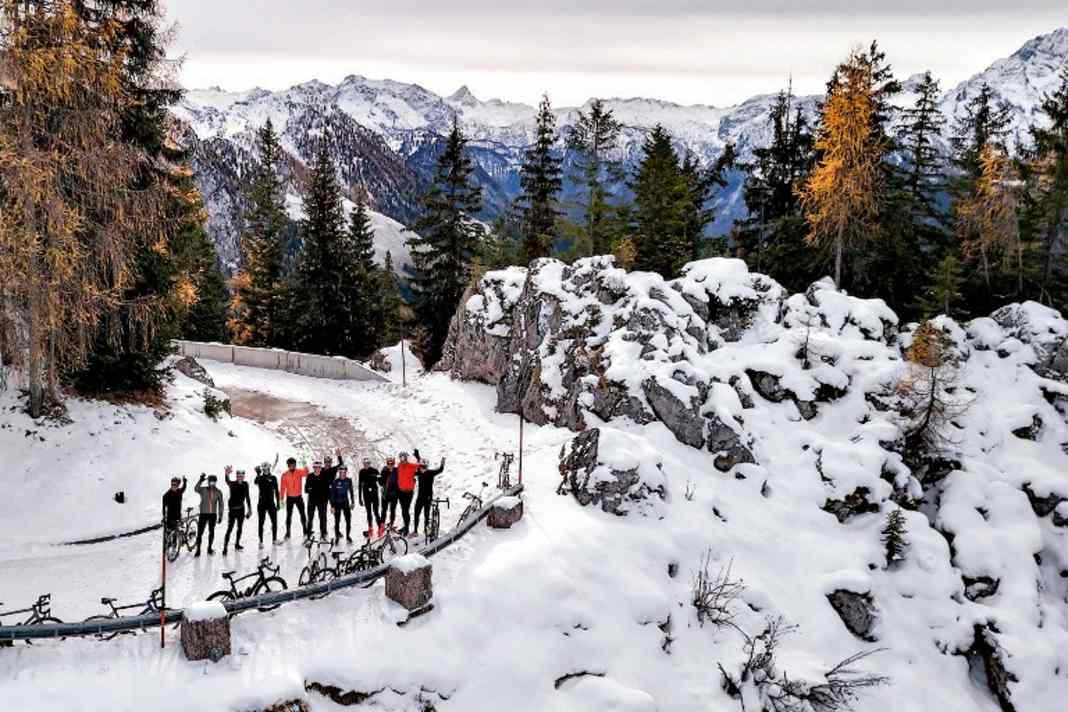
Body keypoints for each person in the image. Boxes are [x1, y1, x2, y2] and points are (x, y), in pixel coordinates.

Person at [411, 453, 446, 537]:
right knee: (416, 514)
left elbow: (440, 470)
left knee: (426, 515)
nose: (422, 469)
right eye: (421, 467)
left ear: (427, 467)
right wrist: (417, 455)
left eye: (424, 467)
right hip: (420, 497)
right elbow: (417, 465)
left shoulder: (431, 473)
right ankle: (415, 531)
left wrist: (442, 463)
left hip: (428, 498)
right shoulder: (419, 472)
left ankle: (426, 530)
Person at [222, 466, 252, 555]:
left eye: (242, 475)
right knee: (230, 528)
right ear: (236, 476)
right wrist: (226, 474)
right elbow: (227, 481)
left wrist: (250, 508)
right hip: (232, 510)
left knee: (240, 528)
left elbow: (247, 497)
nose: (240, 477)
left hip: (241, 510)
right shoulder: (232, 484)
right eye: (238, 475)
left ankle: (237, 544)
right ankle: (225, 548)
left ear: (244, 476)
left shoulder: (246, 484)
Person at [193, 473, 224, 556]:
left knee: (211, 532)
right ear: (208, 482)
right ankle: (198, 550)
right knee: (200, 533)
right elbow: (196, 489)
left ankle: (209, 548)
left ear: (216, 482)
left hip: (212, 515)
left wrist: (220, 516)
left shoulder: (218, 492)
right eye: (211, 482)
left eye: (214, 482)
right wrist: (200, 480)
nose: (212, 484)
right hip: (203, 514)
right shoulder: (203, 490)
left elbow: (221, 504)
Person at [279, 457, 308, 539]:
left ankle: (305, 530)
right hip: (290, 498)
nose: (293, 466)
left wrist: (305, 465)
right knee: (289, 516)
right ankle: (288, 533)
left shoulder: (299, 472)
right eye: (291, 465)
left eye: (294, 464)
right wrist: (281, 499)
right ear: (288, 465)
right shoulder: (284, 475)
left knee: (302, 514)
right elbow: (282, 488)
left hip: (299, 497)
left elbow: (306, 473)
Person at [254, 462, 280, 547]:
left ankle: (274, 540)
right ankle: (260, 542)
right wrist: (258, 474)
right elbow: (255, 482)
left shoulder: (273, 478)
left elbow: (276, 491)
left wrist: (278, 503)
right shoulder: (260, 478)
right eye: (263, 469)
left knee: (274, 522)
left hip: (271, 503)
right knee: (261, 523)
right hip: (261, 504)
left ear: (269, 468)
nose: (265, 470)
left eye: (266, 469)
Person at [395, 451, 420, 536]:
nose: (402, 459)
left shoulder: (411, 466)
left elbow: (419, 465)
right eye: (401, 458)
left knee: (405, 510)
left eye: (404, 457)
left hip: (408, 493)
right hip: (400, 492)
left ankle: (406, 529)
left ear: (406, 458)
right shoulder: (399, 466)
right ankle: (405, 527)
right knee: (403, 511)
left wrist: (417, 456)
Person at [329, 464, 355, 543]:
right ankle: (337, 536)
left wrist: (352, 502)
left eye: (344, 472)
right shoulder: (335, 481)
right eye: (341, 472)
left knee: (348, 520)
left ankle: (348, 536)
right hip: (337, 504)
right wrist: (332, 506)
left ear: (346, 472)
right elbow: (332, 495)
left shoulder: (348, 480)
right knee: (337, 521)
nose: (343, 474)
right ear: (339, 473)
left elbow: (351, 492)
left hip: (345, 503)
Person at [358, 458, 383, 539]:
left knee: (376, 512)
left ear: (370, 463)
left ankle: (380, 528)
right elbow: (359, 485)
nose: (366, 465)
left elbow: (381, 482)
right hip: (366, 494)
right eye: (365, 463)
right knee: (369, 512)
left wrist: (378, 476)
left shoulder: (375, 470)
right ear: (363, 464)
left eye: (368, 463)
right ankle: (370, 528)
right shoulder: (361, 472)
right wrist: (360, 498)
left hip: (374, 494)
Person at [379, 456, 399, 531]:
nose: (390, 465)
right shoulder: (384, 470)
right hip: (385, 494)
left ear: (394, 463)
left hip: (394, 495)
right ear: (386, 463)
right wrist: (381, 478)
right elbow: (381, 483)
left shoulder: (397, 470)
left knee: (393, 510)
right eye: (388, 463)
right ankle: (382, 526)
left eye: (392, 463)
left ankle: (391, 524)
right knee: (384, 510)